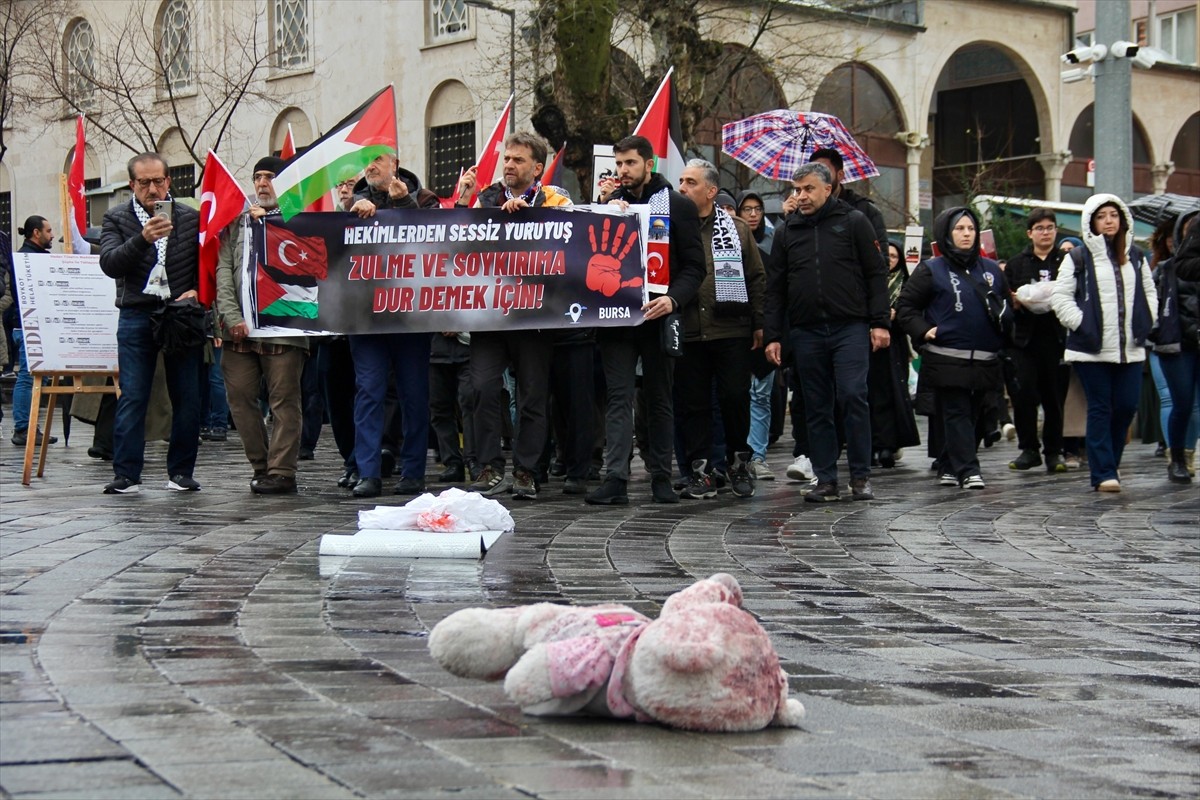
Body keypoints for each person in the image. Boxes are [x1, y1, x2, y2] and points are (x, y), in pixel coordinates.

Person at [586, 134, 706, 505]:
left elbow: (694, 266)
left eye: (630, 163)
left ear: (648, 164)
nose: (623, 170)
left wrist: (673, 299)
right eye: (618, 163)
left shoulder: (677, 205)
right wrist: (604, 208)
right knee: (619, 397)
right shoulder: (607, 204)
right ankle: (616, 479)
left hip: (658, 316)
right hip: (618, 318)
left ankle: (660, 477)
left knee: (659, 398)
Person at [453, 131, 571, 499]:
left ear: (537, 168)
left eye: (518, 160)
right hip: (491, 315)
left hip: (535, 315)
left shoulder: (555, 199)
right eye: (507, 158)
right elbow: (453, 241)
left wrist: (531, 217)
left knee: (533, 394)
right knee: (483, 388)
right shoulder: (486, 198)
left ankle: (526, 470)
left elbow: (570, 236)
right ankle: (488, 466)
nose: (509, 165)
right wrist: (463, 200)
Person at [764, 162, 889, 502]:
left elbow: (876, 274)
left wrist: (880, 322)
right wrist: (773, 334)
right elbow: (775, 288)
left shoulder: (854, 222)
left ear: (827, 188)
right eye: (796, 190)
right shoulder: (787, 232)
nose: (800, 196)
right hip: (806, 332)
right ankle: (827, 480)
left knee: (852, 396)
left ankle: (860, 476)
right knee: (816, 406)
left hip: (850, 327)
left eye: (807, 189)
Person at [98, 153, 202, 494]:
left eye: (159, 181)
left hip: (180, 313)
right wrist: (142, 238)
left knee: (186, 395)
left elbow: (208, 262)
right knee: (133, 394)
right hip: (136, 313)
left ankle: (181, 472)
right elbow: (110, 264)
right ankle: (126, 473)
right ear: (132, 184)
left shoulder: (190, 218)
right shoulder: (116, 218)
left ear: (169, 181)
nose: (153, 189)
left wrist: (197, 291)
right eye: (144, 183)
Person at [896, 206, 1011, 490]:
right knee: (956, 411)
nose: (966, 234)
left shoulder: (992, 271)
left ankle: (950, 464)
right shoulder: (931, 269)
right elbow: (906, 308)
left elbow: (1004, 306)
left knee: (975, 414)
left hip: (985, 358)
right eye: (959, 228)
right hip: (947, 357)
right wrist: (924, 330)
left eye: (970, 228)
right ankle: (969, 469)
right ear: (947, 233)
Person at [214, 155, 308, 494]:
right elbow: (223, 270)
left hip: (285, 326)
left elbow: (309, 265)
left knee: (284, 400)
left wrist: (272, 226)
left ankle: (282, 472)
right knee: (239, 396)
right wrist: (230, 315)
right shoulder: (237, 223)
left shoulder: (301, 218)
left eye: (270, 176)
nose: (262, 183)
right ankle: (261, 464)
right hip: (240, 329)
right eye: (258, 177)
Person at [1050, 194, 1156, 492]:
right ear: (1091, 222)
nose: (1109, 221)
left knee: (1125, 407)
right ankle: (1104, 473)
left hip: (1130, 348)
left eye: (1113, 215)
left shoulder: (1135, 255)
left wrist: (1146, 322)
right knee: (1100, 408)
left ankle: (1110, 463)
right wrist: (1082, 324)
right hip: (1091, 350)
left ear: (1122, 220)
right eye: (1102, 216)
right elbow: (1061, 297)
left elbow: (1150, 293)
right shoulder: (1078, 257)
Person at [673, 159, 765, 498]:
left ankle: (739, 462)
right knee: (693, 404)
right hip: (690, 330)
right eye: (681, 181)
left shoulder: (737, 229)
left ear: (711, 191)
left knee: (734, 398)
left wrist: (759, 324)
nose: (682, 188)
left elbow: (756, 277)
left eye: (691, 182)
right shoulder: (668, 227)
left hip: (731, 329)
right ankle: (700, 472)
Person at [345, 151, 432, 498]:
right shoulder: (354, 203)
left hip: (412, 317)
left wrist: (403, 205)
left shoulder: (423, 199)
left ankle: (413, 471)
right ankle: (368, 472)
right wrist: (355, 216)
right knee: (368, 391)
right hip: (367, 319)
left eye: (379, 158)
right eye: (367, 160)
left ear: (395, 165)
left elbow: (436, 239)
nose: (372, 165)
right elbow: (336, 247)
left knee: (414, 395)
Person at [1004, 208, 1070, 473]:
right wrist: (1016, 301)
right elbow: (1005, 296)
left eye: (1050, 227)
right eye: (1040, 228)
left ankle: (1055, 451)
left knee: (1054, 398)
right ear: (1030, 233)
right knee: (1024, 395)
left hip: (1057, 338)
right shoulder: (1017, 263)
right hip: (1024, 340)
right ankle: (1029, 449)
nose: (1046, 233)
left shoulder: (1068, 261)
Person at [1148, 210, 1199, 483]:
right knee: (1181, 402)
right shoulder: (1166, 269)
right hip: (1177, 345)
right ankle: (1176, 457)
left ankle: (1188, 455)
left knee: (1197, 406)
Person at [737, 190, 778, 481]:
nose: (753, 214)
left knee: (761, 395)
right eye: (747, 209)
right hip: (736, 330)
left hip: (766, 329)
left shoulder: (775, 246)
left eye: (758, 209)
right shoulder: (729, 246)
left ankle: (758, 455)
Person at [868, 240, 920, 468]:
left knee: (891, 394)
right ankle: (869, 444)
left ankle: (888, 444)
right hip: (867, 345)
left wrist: (896, 316)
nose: (889, 260)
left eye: (893, 256)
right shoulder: (869, 280)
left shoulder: (906, 284)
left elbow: (912, 313)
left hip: (894, 347)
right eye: (885, 255)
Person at [11, 216, 60, 447]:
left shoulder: (35, 257)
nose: (52, 235)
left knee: (35, 377)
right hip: (29, 323)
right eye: (48, 231)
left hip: (37, 323)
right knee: (28, 378)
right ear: (36, 233)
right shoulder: (26, 258)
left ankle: (29, 427)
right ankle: (23, 428)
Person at [806, 147, 889, 245]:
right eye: (814, 174)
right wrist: (790, 218)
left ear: (840, 175)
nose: (818, 179)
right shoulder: (802, 210)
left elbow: (879, 256)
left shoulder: (865, 210)